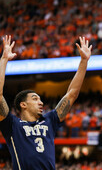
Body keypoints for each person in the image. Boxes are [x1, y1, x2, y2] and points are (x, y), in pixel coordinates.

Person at [0, 35, 92, 170]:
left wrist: (84, 61)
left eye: (40, 99)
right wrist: (3, 59)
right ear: (23, 104)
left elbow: (72, 94)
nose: (41, 102)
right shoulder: (12, 124)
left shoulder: (49, 120)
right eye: (35, 99)